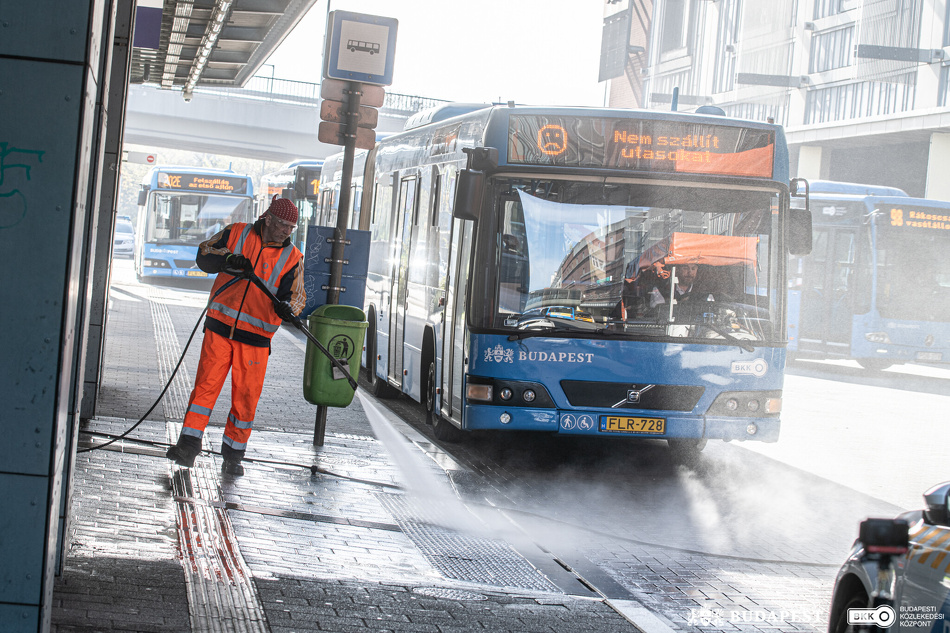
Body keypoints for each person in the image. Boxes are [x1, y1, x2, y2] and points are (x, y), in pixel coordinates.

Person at [165, 196, 306, 476]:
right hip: (220, 328)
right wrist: (228, 258)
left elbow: (297, 296)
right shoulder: (237, 233)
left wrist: (288, 308)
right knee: (204, 389)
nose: (286, 231)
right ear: (268, 219)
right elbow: (204, 253)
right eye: (282, 224)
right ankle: (188, 446)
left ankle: (233, 456)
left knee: (245, 399)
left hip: (255, 340)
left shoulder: (293, 258)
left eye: (291, 227)